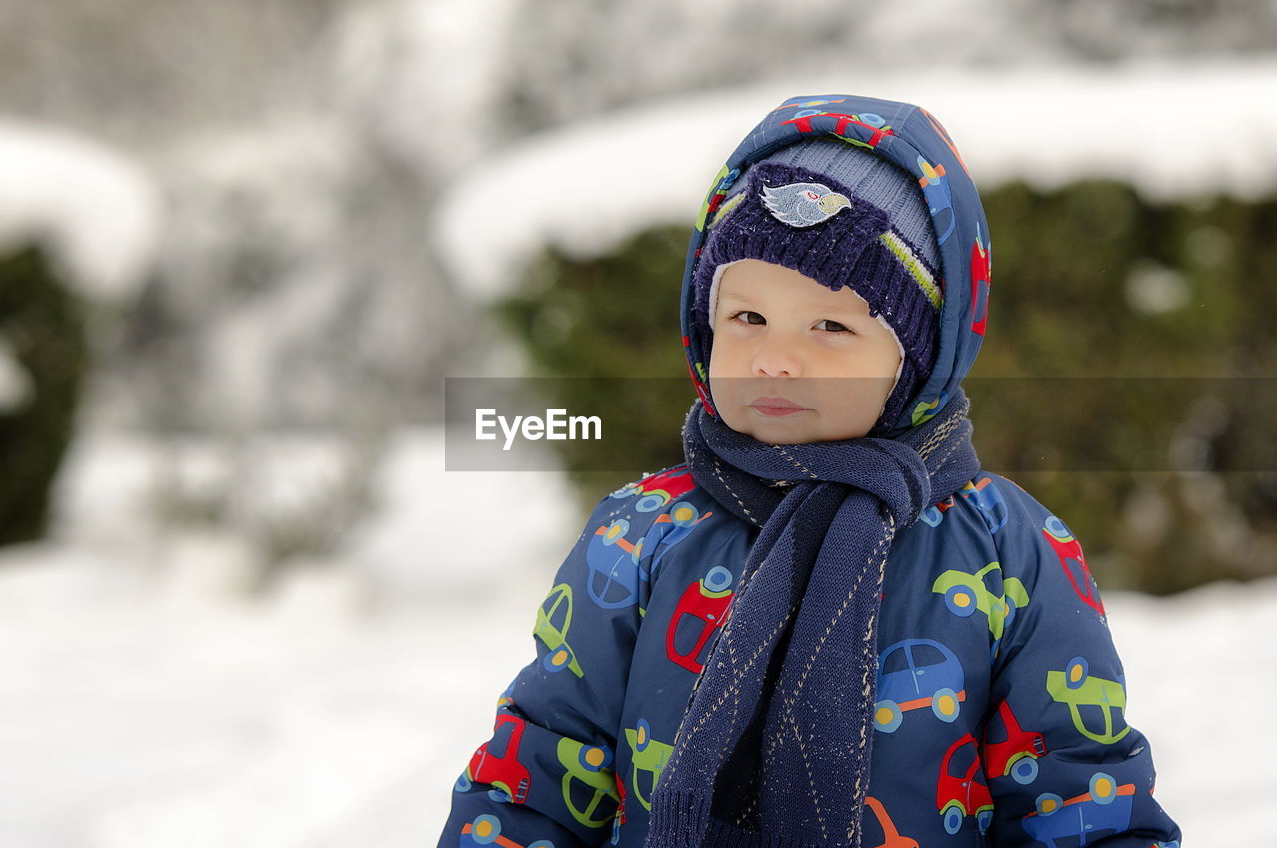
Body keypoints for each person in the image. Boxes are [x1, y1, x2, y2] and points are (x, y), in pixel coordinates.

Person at [436, 94, 1182, 848]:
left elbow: (1082, 798)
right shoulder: (641, 533)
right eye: (748, 319)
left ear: (918, 357)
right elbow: (541, 768)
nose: (776, 357)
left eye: (831, 326)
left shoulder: (1007, 551)